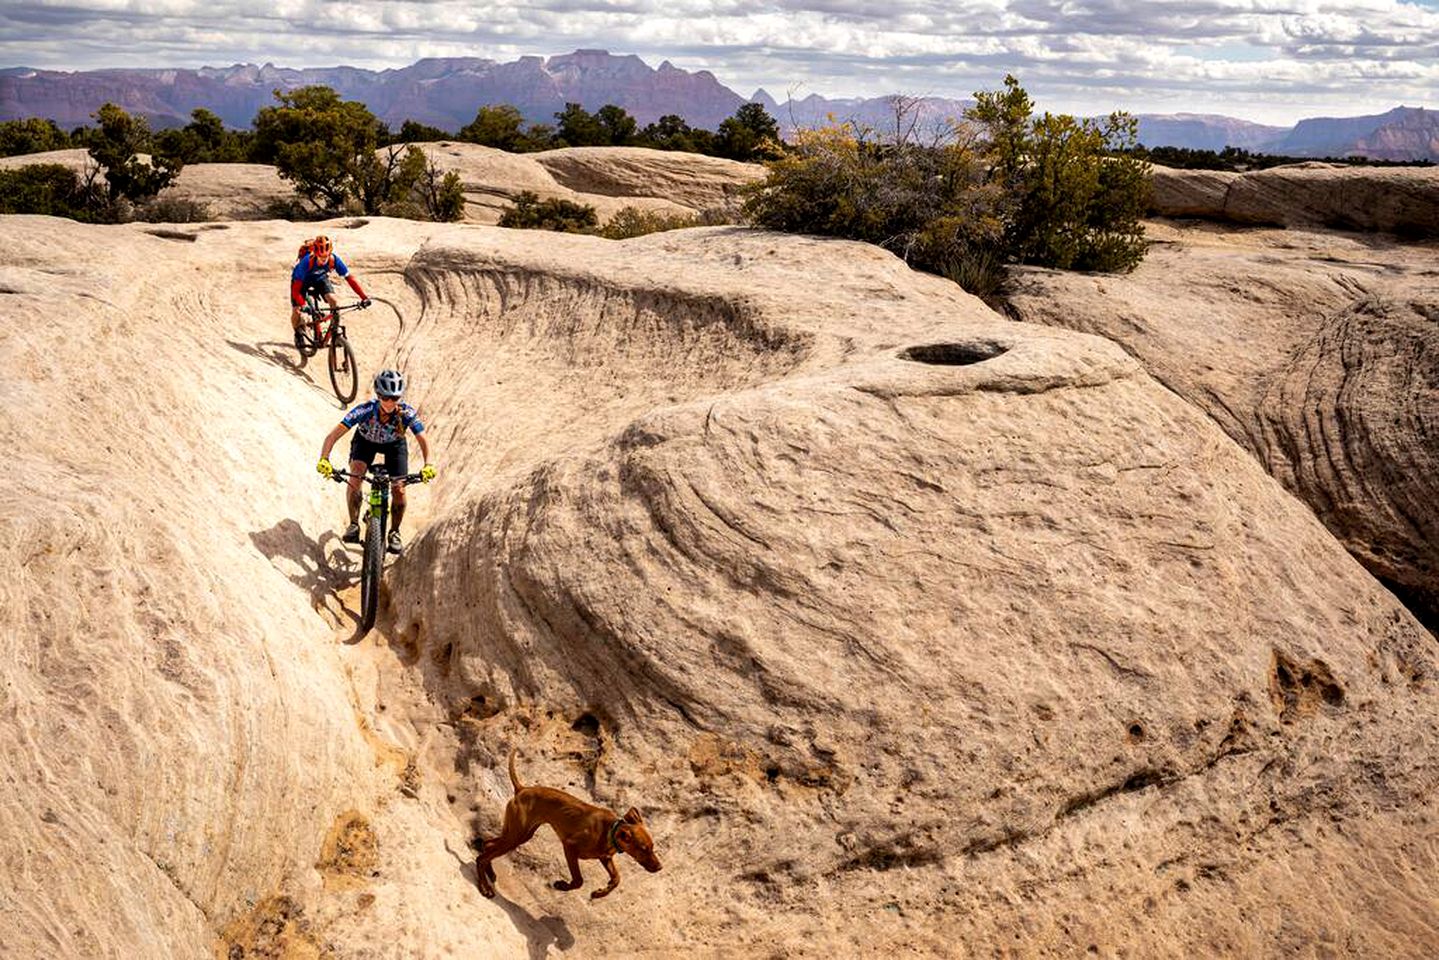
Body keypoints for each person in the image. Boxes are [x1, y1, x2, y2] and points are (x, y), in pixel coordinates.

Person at [316, 369, 435, 554]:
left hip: (395, 445)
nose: (389, 402)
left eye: (394, 398)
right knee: (356, 477)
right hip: (365, 442)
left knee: (399, 488)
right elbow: (332, 436)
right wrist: (324, 459)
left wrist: (429, 464)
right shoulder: (364, 410)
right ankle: (354, 524)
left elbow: (423, 439)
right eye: (384, 397)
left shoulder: (407, 413)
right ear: (378, 395)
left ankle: (394, 532)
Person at [291, 235, 370, 351]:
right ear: (315, 254)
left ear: (330, 253)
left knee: (335, 303)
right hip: (301, 283)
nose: (323, 260)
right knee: (297, 311)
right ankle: (297, 333)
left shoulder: (334, 260)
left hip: (320, 279)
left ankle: (334, 331)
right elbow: (295, 290)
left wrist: (364, 297)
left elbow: (350, 279)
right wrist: (303, 305)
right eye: (320, 257)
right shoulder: (306, 263)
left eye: (326, 257)